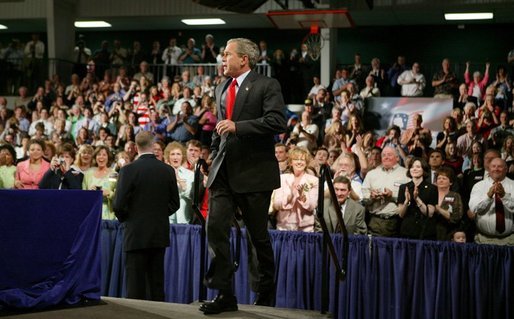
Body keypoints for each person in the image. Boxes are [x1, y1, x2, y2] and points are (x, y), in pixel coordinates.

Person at [200, 38, 286, 315]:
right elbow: (218, 127)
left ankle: (264, 295)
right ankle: (224, 293)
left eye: (226, 54)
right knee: (215, 229)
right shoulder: (221, 87)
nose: (222, 59)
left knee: (257, 237)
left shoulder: (266, 85)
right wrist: (213, 153)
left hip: (254, 173)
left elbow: (277, 121)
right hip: (223, 171)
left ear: (244, 59)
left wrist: (239, 126)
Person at [113, 131, 180, 301]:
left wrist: (129, 219)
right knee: (156, 284)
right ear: (153, 146)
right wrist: (158, 215)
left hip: (134, 234)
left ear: (136, 147)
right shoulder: (167, 170)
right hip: (158, 233)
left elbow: (118, 205)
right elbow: (175, 203)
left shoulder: (128, 170)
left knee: (135, 288)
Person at [362, 146, 410, 237]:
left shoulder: (406, 174)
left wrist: (392, 196)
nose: (386, 157)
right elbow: (363, 198)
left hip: (397, 222)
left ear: (397, 157)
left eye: (389, 155)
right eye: (383, 155)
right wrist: (371, 197)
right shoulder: (372, 174)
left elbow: (410, 198)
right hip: (375, 221)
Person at [469, 158, 514, 245]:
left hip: (510, 240)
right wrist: (488, 196)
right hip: (483, 240)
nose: (496, 169)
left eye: (500, 166)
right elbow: (474, 209)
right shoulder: (478, 186)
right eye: (493, 166)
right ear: (489, 169)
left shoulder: (513, 185)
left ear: (506, 169)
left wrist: (504, 196)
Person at [272, 147, 318, 231]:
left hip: (306, 229)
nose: (299, 162)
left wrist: (303, 198)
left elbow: (312, 205)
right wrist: (289, 197)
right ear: (291, 162)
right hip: (283, 227)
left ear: (306, 163)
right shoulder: (282, 179)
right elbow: (276, 204)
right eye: (296, 159)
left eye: (302, 160)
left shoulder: (313, 180)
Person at [397, 157, 438, 239]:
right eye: (412, 167)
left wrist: (417, 199)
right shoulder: (404, 187)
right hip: (407, 231)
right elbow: (401, 214)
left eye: (418, 167)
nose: (414, 169)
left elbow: (430, 213)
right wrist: (406, 201)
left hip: (425, 231)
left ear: (424, 170)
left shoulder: (432, 188)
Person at [82, 145, 117, 220]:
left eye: (104, 155)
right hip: (91, 215)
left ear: (108, 157)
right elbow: (83, 196)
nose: (101, 157)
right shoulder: (89, 173)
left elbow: (118, 197)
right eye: (99, 154)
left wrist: (108, 193)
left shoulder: (113, 174)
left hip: (108, 218)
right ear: (95, 157)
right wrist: (89, 193)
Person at [164, 141, 194, 224]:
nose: (175, 157)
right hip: (167, 217)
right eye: (172, 154)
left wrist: (180, 182)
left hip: (184, 218)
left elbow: (192, 195)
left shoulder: (190, 174)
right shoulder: (162, 174)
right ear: (168, 157)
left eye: (178, 154)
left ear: (182, 156)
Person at [434, 167, 463, 241]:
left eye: (444, 178)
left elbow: (456, 217)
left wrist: (439, 209)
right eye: (439, 178)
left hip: (448, 234)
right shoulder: (431, 194)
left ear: (451, 182)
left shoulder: (455, 196)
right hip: (431, 233)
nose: (441, 180)